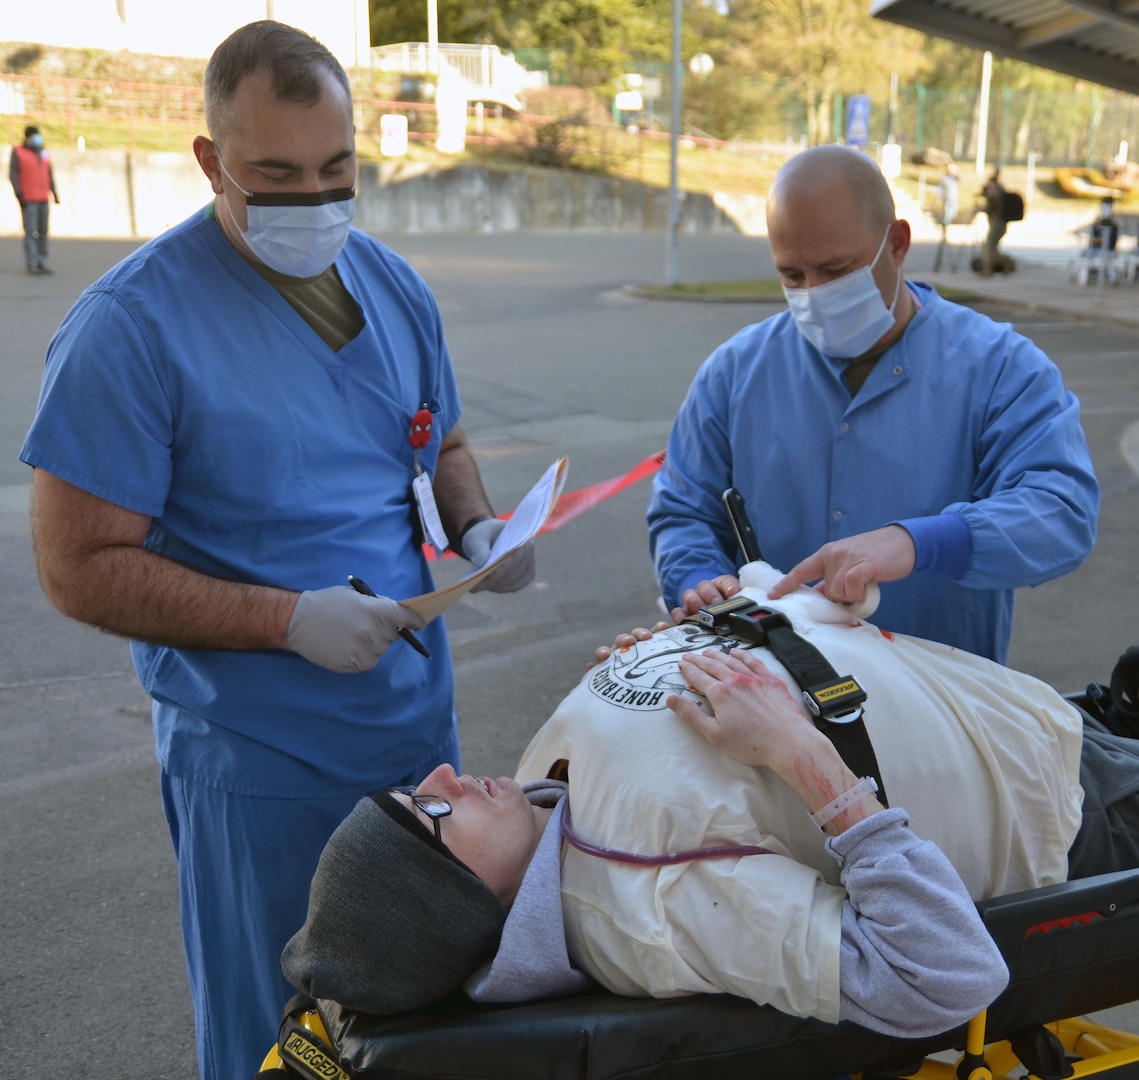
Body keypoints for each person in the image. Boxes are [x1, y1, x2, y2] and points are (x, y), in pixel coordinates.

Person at [19, 21, 534, 1080]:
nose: (314, 199)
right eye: (276, 174)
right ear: (211, 162)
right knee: (284, 1034)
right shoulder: (131, 327)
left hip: (414, 747)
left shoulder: (390, 286)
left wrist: (480, 526)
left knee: (417, 1036)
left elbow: (442, 438)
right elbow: (77, 567)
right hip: (260, 763)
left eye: (337, 169)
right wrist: (282, 618)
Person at [281, 562, 1139, 1039]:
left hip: (1028, 719)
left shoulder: (550, 812)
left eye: (410, 790)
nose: (439, 779)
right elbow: (946, 978)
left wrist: (716, 625)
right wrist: (804, 759)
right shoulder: (651, 910)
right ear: (460, 902)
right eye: (430, 816)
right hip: (1074, 801)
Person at [646, 144, 1098, 664]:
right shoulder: (734, 371)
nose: (813, 295)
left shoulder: (1000, 366)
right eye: (792, 276)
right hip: (770, 696)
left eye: (837, 270)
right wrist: (698, 578)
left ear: (898, 243)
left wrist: (918, 543)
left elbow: (1060, 512)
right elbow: (683, 510)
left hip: (941, 704)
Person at [9, 124, 60, 275]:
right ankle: (32, 263)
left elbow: (49, 174)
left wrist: (55, 193)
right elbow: (13, 175)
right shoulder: (18, 152)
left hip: (44, 197)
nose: (38, 138)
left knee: (44, 231)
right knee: (31, 232)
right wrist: (19, 195)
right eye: (34, 136)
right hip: (29, 199)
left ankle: (42, 262)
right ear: (28, 137)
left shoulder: (44, 152)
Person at [978, 168, 1009, 276]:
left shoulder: (995, 194)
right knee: (992, 247)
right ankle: (997, 266)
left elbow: (989, 208)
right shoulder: (999, 191)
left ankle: (994, 267)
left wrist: (978, 209)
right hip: (998, 223)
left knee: (989, 246)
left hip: (997, 223)